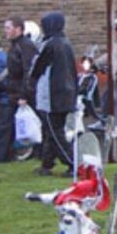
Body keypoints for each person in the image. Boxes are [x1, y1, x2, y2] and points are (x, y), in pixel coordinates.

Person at [30, 11, 77, 176]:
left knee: (55, 132)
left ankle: (73, 163)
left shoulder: (50, 45)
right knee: (51, 130)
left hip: (52, 96)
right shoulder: (65, 43)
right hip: (65, 94)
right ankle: (47, 164)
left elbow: (37, 68)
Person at [0, 17, 38, 163]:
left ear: (18, 29)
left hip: (20, 92)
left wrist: (24, 94)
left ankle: (3, 157)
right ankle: (4, 156)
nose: (5, 31)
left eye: (8, 28)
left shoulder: (24, 46)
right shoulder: (15, 46)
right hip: (14, 91)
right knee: (6, 124)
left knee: (8, 124)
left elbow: (28, 71)